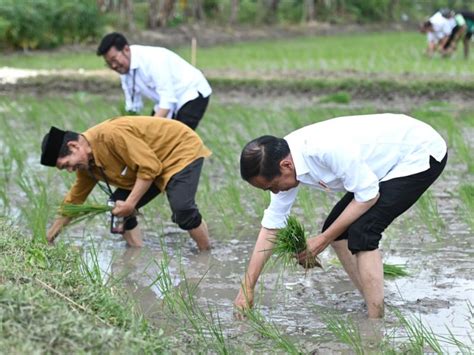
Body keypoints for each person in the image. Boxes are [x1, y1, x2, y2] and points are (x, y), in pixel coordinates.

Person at [234, 113, 447, 318]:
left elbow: (368, 196)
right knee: (339, 233)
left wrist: (322, 239)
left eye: (272, 186)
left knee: (364, 231)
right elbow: (272, 224)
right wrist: (247, 286)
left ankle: (375, 322)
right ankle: (372, 299)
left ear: (286, 166)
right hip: (385, 163)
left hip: (418, 152)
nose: (275, 192)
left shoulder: (324, 150)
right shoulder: (282, 158)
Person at [41, 116, 211, 250]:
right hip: (151, 162)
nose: (71, 170)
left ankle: (206, 254)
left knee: (182, 209)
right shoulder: (87, 166)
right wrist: (49, 238)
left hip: (178, 149)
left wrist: (130, 203)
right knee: (117, 206)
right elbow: (74, 201)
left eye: (67, 165)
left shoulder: (111, 135)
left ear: (74, 146)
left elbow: (149, 166)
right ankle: (136, 251)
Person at [97, 32, 212, 130]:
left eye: (114, 59)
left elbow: (167, 101)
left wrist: (149, 130)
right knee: (156, 140)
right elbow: (133, 107)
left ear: (126, 49)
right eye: (109, 63)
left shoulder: (153, 60)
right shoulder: (125, 72)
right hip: (166, 100)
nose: (114, 66)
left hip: (191, 93)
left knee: (177, 140)